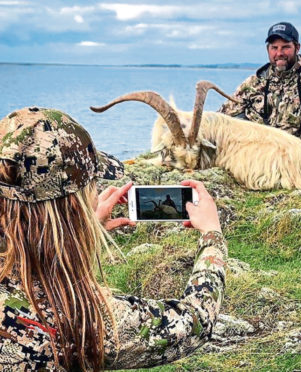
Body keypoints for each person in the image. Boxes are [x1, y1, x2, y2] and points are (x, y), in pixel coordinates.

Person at [0, 107, 227, 371]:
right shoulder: (80, 317)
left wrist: (82, 231)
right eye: (91, 187)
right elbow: (196, 321)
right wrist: (212, 235)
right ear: (74, 204)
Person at [219, 21, 301, 166]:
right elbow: (221, 118)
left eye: (286, 47)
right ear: (267, 49)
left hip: (287, 161)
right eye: (274, 48)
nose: (279, 53)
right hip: (250, 160)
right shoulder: (253, 83)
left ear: (297, 47)